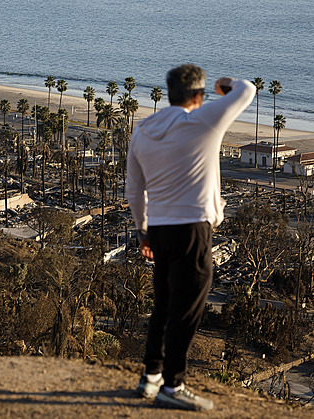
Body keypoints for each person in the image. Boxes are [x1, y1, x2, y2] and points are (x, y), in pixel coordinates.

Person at [126, 64, 255, 411]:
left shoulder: (143, 129)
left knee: (164, 305)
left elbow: (134, 190)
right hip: (193, 229)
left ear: (169, 94)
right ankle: (173, 384)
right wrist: (223, 84)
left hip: (160, 230)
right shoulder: (204, 120)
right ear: (198, 97)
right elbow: (247, 90)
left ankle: (151, 376)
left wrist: (143, 232)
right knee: (187, 309)